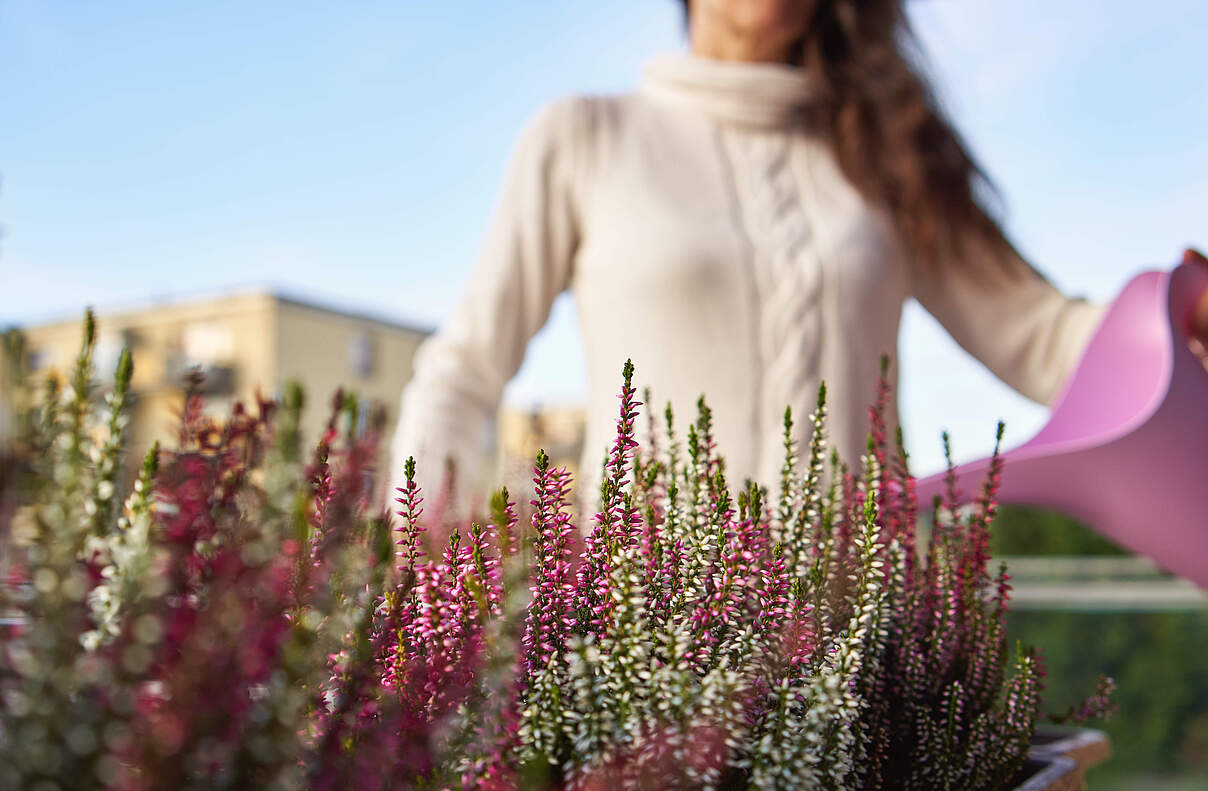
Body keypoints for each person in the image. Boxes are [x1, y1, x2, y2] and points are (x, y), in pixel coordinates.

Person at [390, 0, 1208, 514]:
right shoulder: (584, 137)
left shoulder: (887, 152)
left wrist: (1176, 317)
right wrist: (434, 560)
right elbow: (465, 367)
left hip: (860, 657)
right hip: (641, 653)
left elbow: (1045, 338)